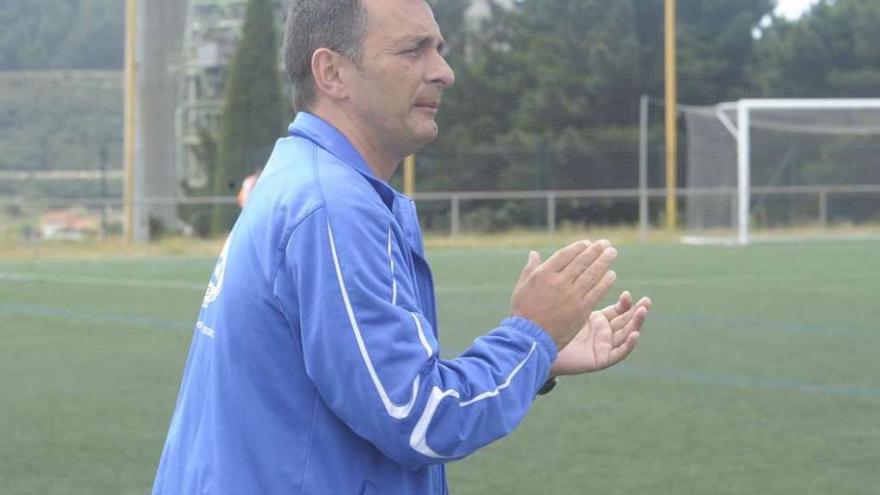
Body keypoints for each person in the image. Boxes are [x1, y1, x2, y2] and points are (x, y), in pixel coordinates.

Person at [151, 0, 652, 493]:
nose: (444, 72)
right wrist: (531, 336)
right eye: (413, 50)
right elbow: (419, 418)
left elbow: (376, 391)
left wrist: (539, 357)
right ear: (332, 72)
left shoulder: (302, 178)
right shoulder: (333, 207)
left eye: (439, 48)